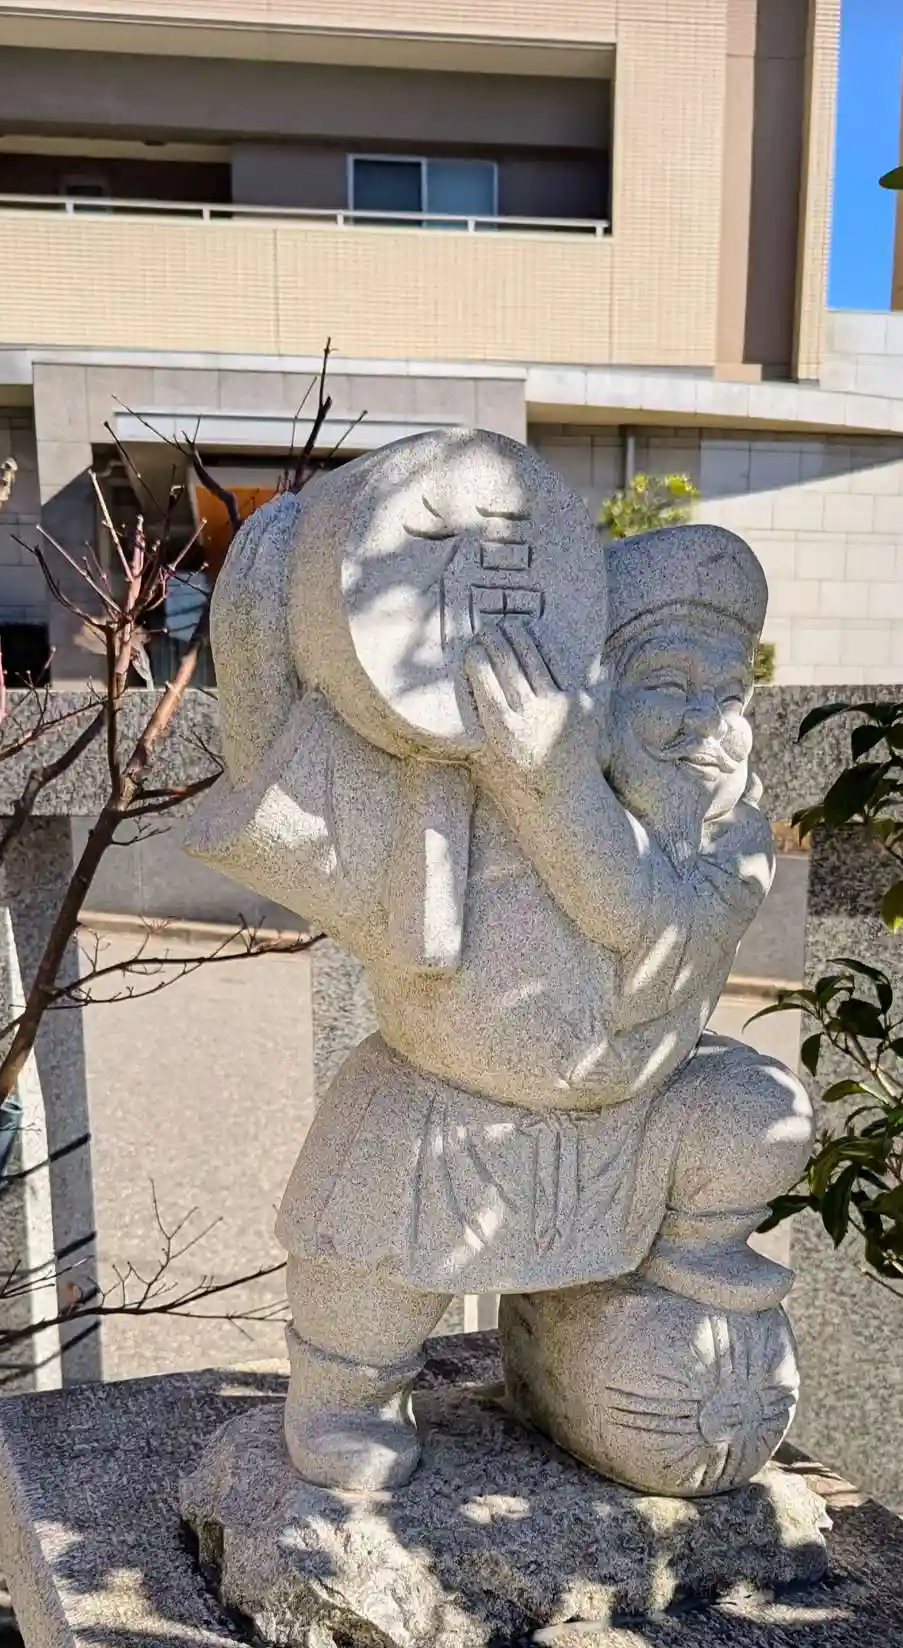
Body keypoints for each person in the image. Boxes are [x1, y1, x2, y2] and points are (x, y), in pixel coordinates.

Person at [191, 487, 812, 1491]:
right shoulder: (463, 781)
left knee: (758, 1109)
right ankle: (347, 1389)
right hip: (448, 1108)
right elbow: (295, 792)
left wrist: (551, 781)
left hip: (637, 1115)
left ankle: (670, 1269)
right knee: (366, 1260)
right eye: (667, 685)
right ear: (592, 692)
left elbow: (644, 919)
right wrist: (282, 590)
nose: (706, 723)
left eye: (729, 695)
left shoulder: (726, 838)